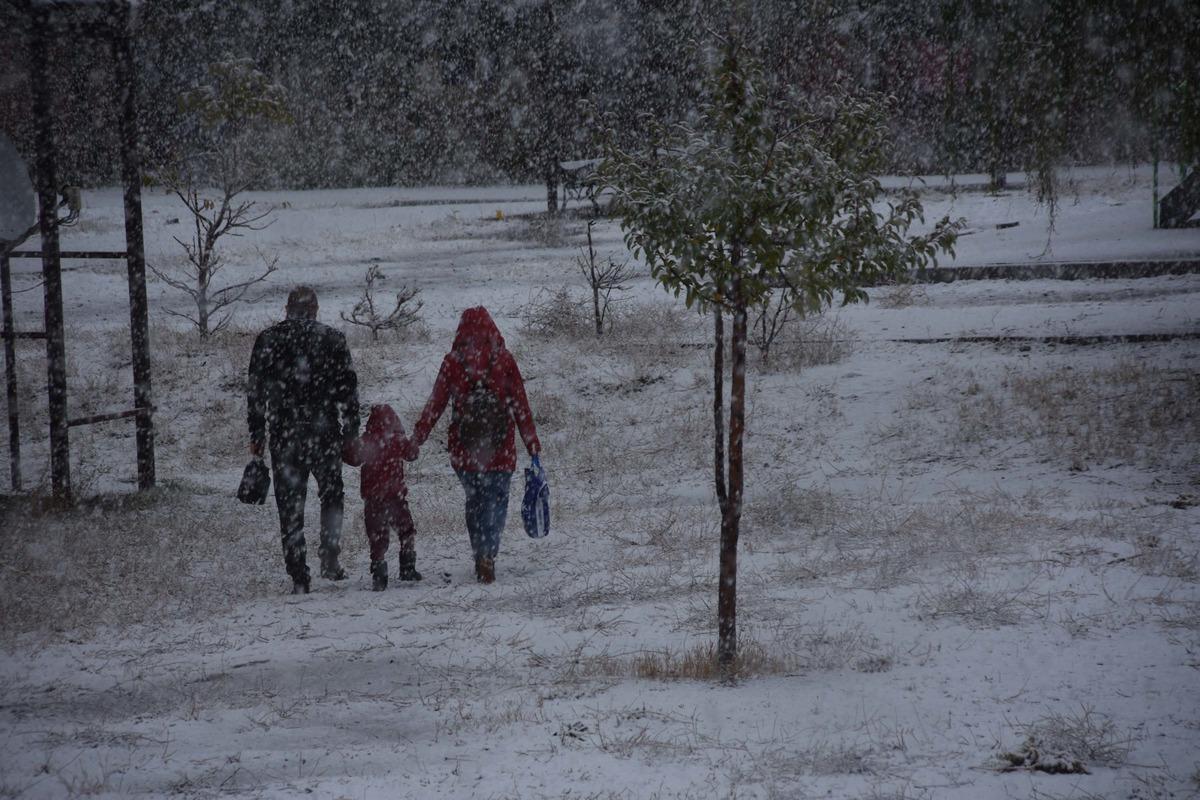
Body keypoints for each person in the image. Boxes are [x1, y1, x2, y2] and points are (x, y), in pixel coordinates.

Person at [411, 307, 540, 584]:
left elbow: (436, 403)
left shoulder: (453, 362)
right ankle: (488, 554)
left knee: (475, 501)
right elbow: (520, 404)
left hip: (465, 449)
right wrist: (532, 444)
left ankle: (479, 551)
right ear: (492, 329)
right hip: (500, 447)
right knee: (497, 500)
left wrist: (418, 437)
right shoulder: (504, 360)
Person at [248, 286, 359, 594]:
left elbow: (255, 396)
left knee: (290, 506)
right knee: (332, 496)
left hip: (285, 435)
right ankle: (329, 557)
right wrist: (351, 433)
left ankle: (298, 574)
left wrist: (257, 438)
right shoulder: (333, 340)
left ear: (287, 309)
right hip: (324, 434)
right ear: (316, 309)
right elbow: (348, 392)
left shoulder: (268, 341)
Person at [343, 404, 421, 590]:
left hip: (373, 500)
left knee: (377, 537)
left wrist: (345, 445)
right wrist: (415, 439)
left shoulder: (366, 441)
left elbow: (352, 458)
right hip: (396, 498)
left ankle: (379, 572)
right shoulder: (397, 440)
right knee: (406, 530)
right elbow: (412, 454)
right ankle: (407, 566)